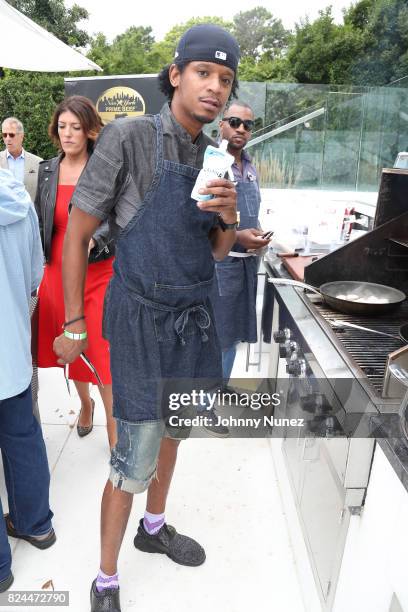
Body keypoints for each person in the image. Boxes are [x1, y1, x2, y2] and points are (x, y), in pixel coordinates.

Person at [53, 23, 240, 612]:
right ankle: (106, 577)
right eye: (204, 73)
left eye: (225, 78)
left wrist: (230, 217)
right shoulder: (130, 139)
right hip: (137, 322)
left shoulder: (215, 156)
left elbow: (214, 250)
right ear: (176, 74)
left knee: (174, 434)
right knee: (131, 454)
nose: (214, 87)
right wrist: (75, 321)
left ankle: (153, 528)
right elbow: (78, 232)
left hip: (192, 321)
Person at [35, 96, 117, 449]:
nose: (68, 134)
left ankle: (117, 442)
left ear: (89, 131)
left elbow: (116, 217)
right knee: (69, 345)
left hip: (98, 270)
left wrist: (93, 240)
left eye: (76, 127)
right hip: (58, 269)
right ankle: (85, 404)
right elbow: (40, 220)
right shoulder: (47, 169)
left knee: (103, 352)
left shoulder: (105, 167)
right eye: (63, 127)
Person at [0, 169, 55, 594]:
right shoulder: (15, 193)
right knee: (22, 436)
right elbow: (36, 274)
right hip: (11, 349)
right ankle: (36, 524)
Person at [210, 102, 269, 385]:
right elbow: (200, 220)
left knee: (233, 335)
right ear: (221, 124)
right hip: (221, 265)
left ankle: (220, 387)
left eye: (248, 125)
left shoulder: (248, 166)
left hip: (245, 264)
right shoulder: (212, 162)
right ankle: (203, 403)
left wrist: (255, 234)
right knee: (219, 336)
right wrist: (238, 237)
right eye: (234, 122)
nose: (241, 129)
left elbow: (248, 211)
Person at [0, 117, 42, 201]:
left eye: (11, 135)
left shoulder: (38, 162)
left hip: (29, 212)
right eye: (4, 135)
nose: (8, 138)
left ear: (21, 136)